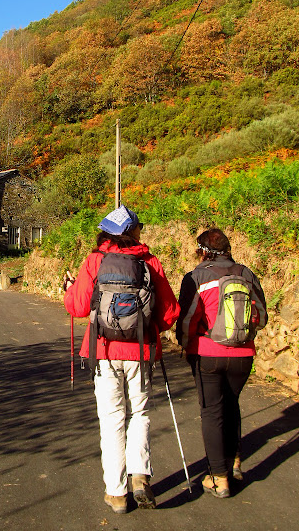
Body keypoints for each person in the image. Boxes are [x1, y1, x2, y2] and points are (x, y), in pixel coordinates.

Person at [63, 205, 180, 514]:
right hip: (141, 351)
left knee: (112, 418)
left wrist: (70, 289)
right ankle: (140, 475)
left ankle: (116, 494)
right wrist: (149, 326)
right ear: (134, 232)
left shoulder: (94, 261)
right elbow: (170, 312)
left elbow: (77, 307)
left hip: (102, 351)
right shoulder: (149, 262)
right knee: (139, 413)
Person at [176, 228, 267, 498]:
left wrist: (185, 344)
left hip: (207, 353)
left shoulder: (196, 277)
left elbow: (187, 320)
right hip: (243, 355)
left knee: (212, 412)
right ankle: (234, 462)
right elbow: (261, 317)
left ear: (203, 252)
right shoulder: (246, 274)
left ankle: (219, 478)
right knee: (231, 404)